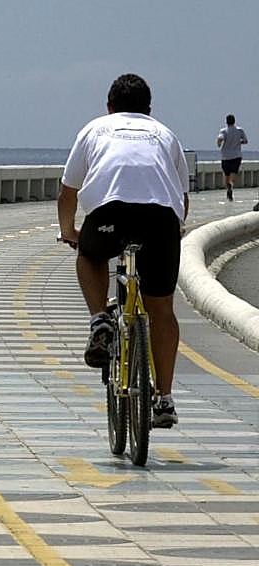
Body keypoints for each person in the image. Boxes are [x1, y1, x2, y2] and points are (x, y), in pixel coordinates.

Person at [58, 73, 188, 428]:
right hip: (160, 220)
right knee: (161, 309)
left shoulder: (95, 129)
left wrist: (69, 231)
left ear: (109, 107)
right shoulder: (165, 134)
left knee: (89, 256)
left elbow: (68, 192)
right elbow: (182, 199)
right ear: (149, 109)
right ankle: (163, 399)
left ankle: (100, 319)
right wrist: (172, 232)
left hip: (109, 214)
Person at [216, 114, 248, 202]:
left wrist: (219, 144)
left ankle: (228, 187)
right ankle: (231, 184)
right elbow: (245, 141)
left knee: (226, 174)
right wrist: (238, 142)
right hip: (237, 155)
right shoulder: (239, 130)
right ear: (234, 121)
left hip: (225, 156)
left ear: (226, 121)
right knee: (233, 173)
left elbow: (220, 139)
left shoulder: (224, 131)